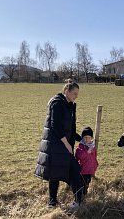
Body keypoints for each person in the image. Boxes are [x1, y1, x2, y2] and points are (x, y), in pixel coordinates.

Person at [34, 80, 83, 212]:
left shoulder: (71, 105)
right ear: (66, 91)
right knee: (68, 171)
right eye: (74, 93)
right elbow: (55, 125)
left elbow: (71, 128)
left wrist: (81, 139)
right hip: (55, 144)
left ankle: (67, 201)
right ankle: (63, 202)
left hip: (64, 144)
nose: (76, 96)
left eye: (77, 94)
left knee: (62, 171)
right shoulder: (57, 103)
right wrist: (66, 144)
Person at [75, 127, 98, 196]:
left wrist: (95, 165)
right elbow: (79, 156)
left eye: (89, 137)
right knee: (82, 184)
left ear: (91, 138)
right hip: (83, 170)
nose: (87, 139)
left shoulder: (92, 146)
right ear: (82, 138)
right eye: (85, 137)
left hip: (90, 169)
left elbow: (94, 157)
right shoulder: (81, 147)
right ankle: (80, 196)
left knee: (87, 183)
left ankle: (84, 194)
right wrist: (87, 152)